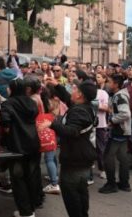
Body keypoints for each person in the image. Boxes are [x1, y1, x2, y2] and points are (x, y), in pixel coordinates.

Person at [40, 78, 98, 217]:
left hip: (76, 158)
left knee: (72, 195)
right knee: (80, 191)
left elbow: (72, 131)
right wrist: (57, 86)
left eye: (76, 89)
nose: (73, 91)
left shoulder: (80, 111)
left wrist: (52, 124)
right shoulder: (83, 106)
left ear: (80, 95)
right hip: (80, 156)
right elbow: (68, 99)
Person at [0, 78, 41, 217]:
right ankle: (32, 208)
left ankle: (26, 212)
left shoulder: (8, 103)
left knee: (18, 180)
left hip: (16, 146)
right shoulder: (32, 102)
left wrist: (8, 131)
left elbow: (5, 123)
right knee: (32, 177)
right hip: (33, 144)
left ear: (13, 89)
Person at [98, 73, 131, 193]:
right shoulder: (117, 95)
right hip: (122, 130)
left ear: (116, 84)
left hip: (119, 130)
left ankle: (111, 184)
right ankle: (124, 183)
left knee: (108, 157)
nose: (107, 84)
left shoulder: (120, 96)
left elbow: (125, 114)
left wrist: (112, 120)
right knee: (122, 157)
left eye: (109, 82)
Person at [94, 72, 110, 181]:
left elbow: (106, 108)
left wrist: (95, 104)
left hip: (101, 123)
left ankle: (103, 169)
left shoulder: (103, 93)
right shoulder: (89, 92)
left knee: (101, 147)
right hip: (88, 123)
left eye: (98, 77)